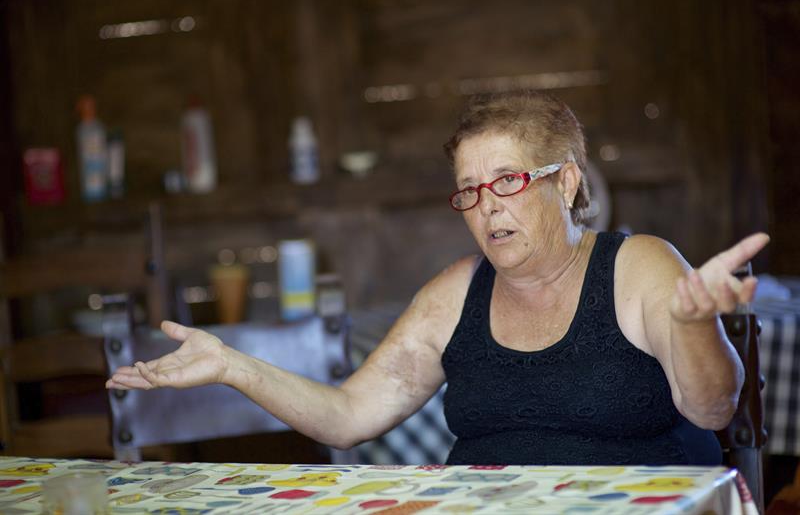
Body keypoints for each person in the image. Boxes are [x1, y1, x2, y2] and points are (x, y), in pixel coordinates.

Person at [107, 90, 769, 465]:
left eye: (507, 181)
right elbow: (348, 415)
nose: (487, 206)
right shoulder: (455, 293)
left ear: (566, 181)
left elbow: (712, 407)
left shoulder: (639, 265)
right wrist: (231, 365)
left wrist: (694, 322)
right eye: (470, 190)